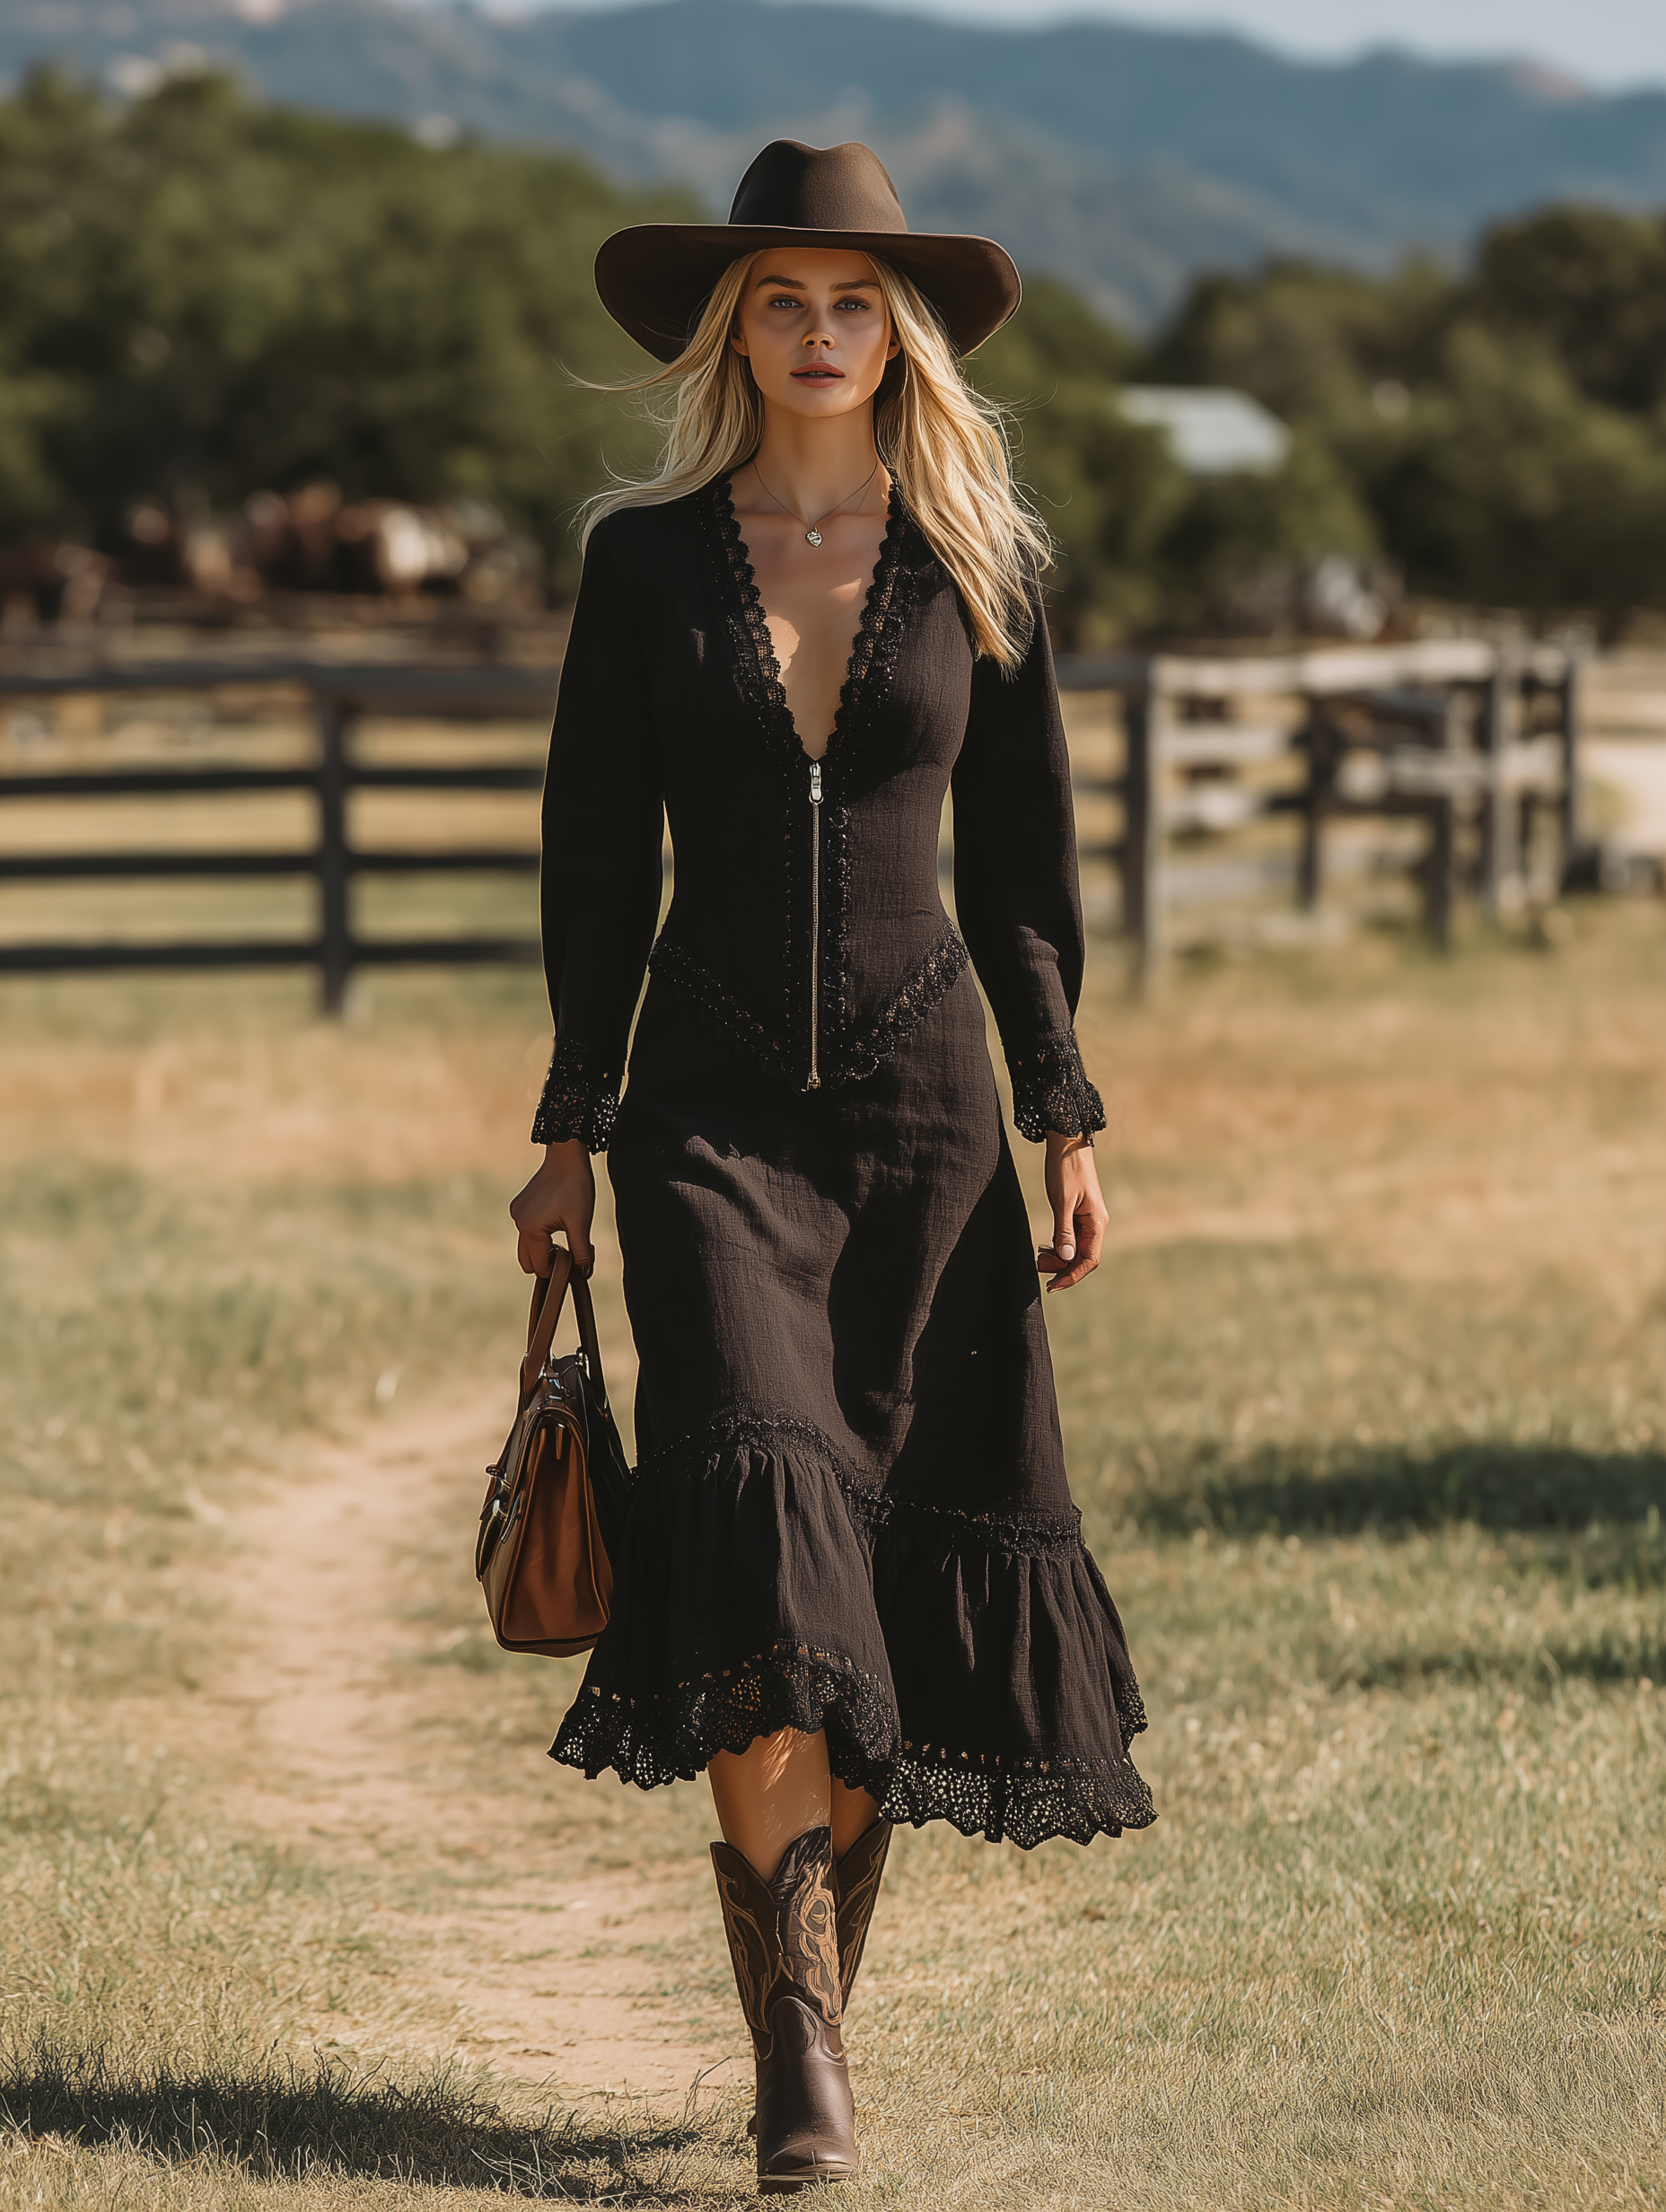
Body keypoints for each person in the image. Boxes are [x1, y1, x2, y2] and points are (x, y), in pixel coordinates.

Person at [510, 138, 1153, 2195]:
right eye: (779, 299)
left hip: (925, 1120)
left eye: (851, 301)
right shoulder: (642, 564)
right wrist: (569, 1127)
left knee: (875, 1588)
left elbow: (1030, 866)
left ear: (902, 334)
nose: (814, 332)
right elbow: (595, 866)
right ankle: (799, 2056)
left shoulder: (978, 561)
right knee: (754, 1513)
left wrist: (1061, 1103)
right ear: (733, 329)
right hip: (706, 1114)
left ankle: (814, 2002)